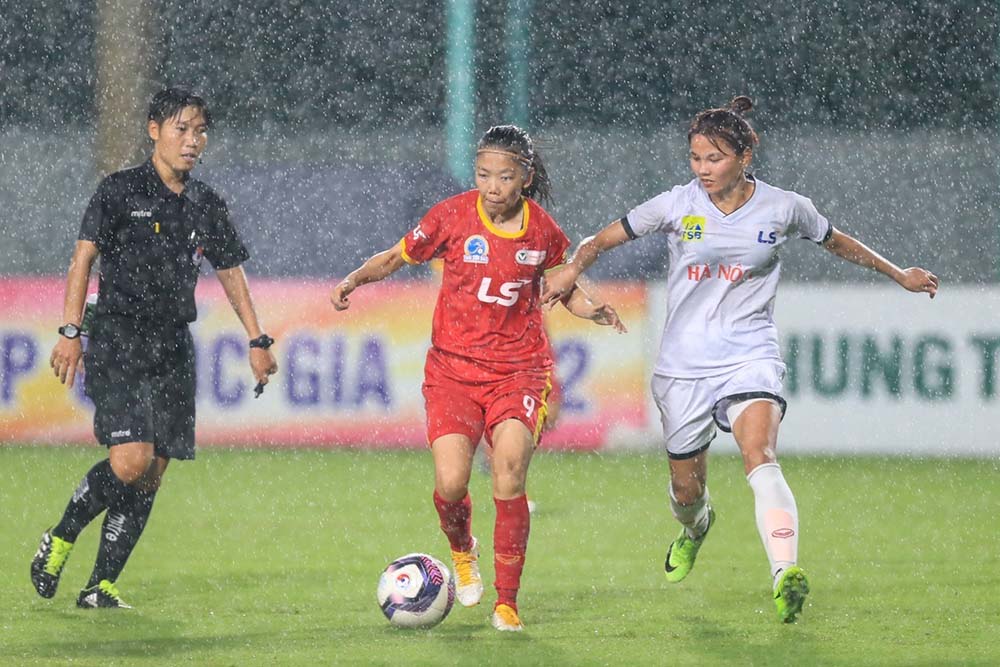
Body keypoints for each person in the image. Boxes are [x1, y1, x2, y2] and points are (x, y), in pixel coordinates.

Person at [541, 96, 939, 623]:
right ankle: (695, 526)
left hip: (750, 352)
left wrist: (899, 275)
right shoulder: (675, 204)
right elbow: (599, 240)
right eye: (695, 158)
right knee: (687, 490)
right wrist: (573, 267)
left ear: (745, 156)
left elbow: (837, 242)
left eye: (714, 158)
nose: (702, 169)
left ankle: (785, 573)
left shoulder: (785, 207)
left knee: (760, 454)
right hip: (682, 364)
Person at [331, 125, 625, 632]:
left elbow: (563, 286)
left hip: (519, 371)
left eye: (505, 176)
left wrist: (591, 310)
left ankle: (507, 602)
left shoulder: (543, 231)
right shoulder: (451, 215)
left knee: (510, 472)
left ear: (525, 179)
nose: (492, 187)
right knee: (450, 483)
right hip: (452, 372)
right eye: (484, 174)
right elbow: (397, 256)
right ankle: (462, 550)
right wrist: (355, 278)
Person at [33, 86, 278, 609]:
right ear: (154, 131)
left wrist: (257, 338)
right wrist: (70, 332)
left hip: (172, 346)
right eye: (181, 129)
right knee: (129, 461)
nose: (193, 141)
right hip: (119, 338)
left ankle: (100, 585)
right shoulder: (119, 191)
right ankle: (59, 537)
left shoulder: (205, 202)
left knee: (152, 473)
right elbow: (83, 262)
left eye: (200, 131)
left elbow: (230, 270)